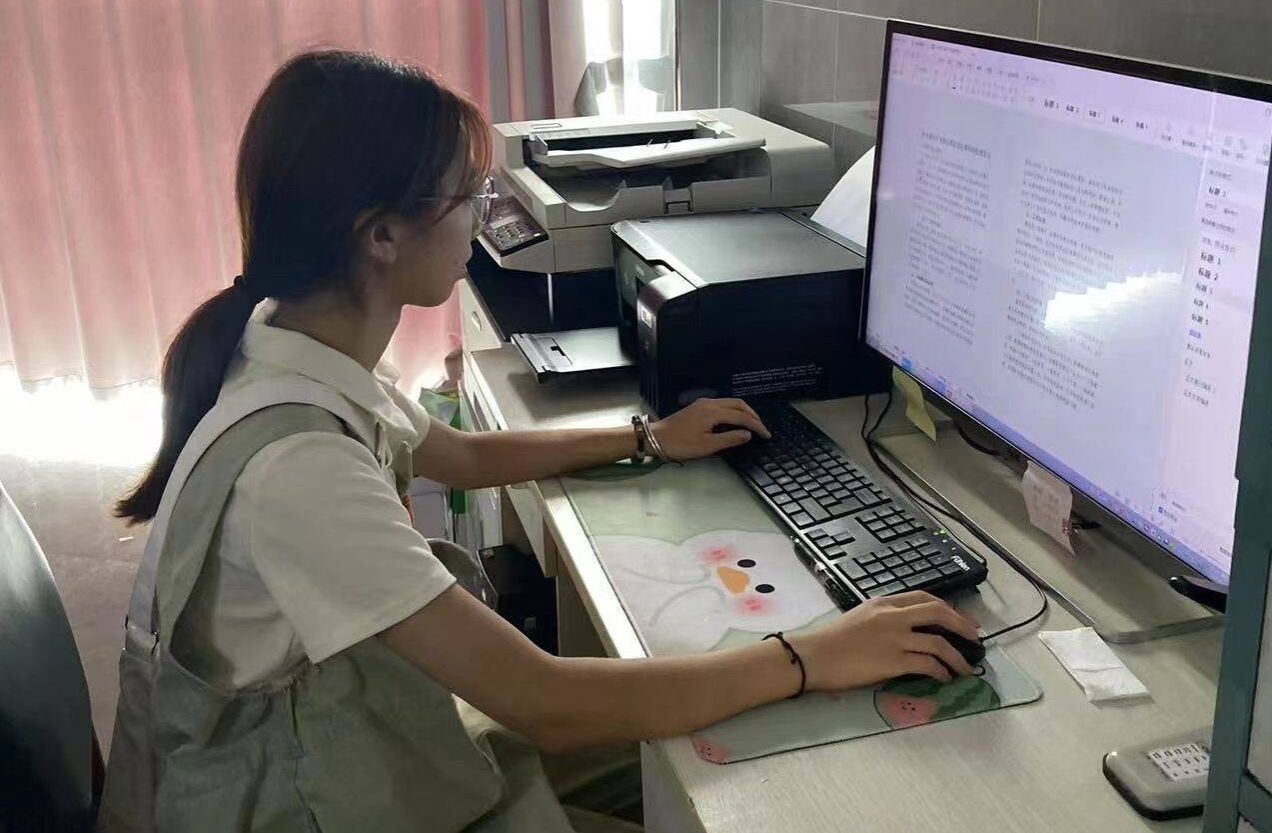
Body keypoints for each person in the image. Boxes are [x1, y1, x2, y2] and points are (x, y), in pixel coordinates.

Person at [102, 51, 980, 833]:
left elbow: (462, 455)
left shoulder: (290, 342)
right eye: (467, 196)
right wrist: (811, 654)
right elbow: (547, 703)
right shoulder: (299, 469)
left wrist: (648, 436)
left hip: (354, 744)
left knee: (700, 732)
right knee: (714, 749)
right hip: (293, 799)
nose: (485, 216)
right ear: (381, 235)